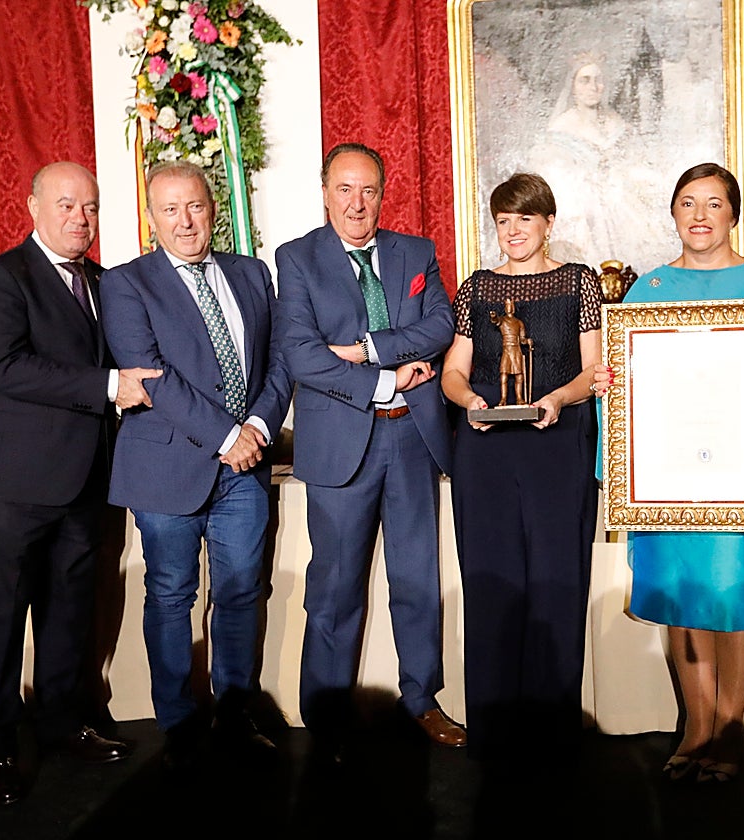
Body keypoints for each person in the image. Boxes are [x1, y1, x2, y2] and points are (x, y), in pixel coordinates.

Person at [593, 162, 744, 784]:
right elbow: (629, 377)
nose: (700, 216)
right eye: (688, 203)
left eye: (714, 203)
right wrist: (611, 384)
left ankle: (729, 731)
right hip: (670, 479)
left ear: (733, 214)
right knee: (683, 599)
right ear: (673, 213)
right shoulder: (648, 290)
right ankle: (696, 729)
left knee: (736, 597)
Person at [0, 161, 159, 804]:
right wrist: (108, 385)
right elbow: (8, 368)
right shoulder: (1, 276)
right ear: (33, 207)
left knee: (69, 613)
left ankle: (63, 724)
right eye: (67, 205)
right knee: (0, 617)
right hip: (14, 483)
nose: (80, 218)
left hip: (85, 481)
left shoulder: (103, 281)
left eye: (91, 207)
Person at [99, 160, 292, 771]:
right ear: (151, 218)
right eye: (170, 210)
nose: (185, 221)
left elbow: (279, 359)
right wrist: (227, 436)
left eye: (196, 207)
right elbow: (151, 375)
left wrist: (258, 426)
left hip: (245, 468)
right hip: (166, 470)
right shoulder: (126, 283)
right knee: (170, 595)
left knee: (241, 593)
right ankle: (180, 726)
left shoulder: (252, 273)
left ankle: (233, 716)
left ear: (214, 209)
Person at [274, 142, 466, 758]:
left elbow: (440, 326)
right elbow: (301, 353)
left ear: (383, 195)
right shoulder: (297, 258)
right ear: (325, 193)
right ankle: (327, 714)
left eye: (368, 191)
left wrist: (366, 349)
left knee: (417, 579)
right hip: (342, 443)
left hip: (412, 438)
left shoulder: (416, 251)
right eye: (344, 189)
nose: (357, 204)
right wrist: (386, 379)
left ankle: (421, 700)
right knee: (334, 588)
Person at [441, 172, 605, 760]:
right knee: (492, 582)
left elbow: (594, 370)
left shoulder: (578, 281)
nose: (513, 231)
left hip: (557, 443)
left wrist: (558, 398)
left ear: (548, 223)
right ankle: (494, 729)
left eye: (525, 219)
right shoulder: (477, 288)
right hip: (486, 446)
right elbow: (453, 371)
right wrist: (469, 402)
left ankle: (551, 732)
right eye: (504, 221)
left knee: (558, 581)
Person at [527, 53, 671, 273]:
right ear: (573, 86)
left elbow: (632, 162)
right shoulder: (561, 128)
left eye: (598, 80)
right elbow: (554, 178)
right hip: (582, 208)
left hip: (619, 200)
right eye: (585, 80)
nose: (593, 87)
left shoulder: (616, 122)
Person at [489, 297, 532, 405]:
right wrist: (493, 316)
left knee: (519, 375)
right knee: (504, 375)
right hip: (506, 350)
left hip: (516, 350)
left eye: (511, 305)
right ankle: (503, 398)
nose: (510, 308)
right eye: (508, 305)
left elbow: (522, 339)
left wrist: (527, 341)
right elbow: (496, 321)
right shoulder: (503, 320)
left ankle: (519, 398)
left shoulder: (519, 323)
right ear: (505, 307)